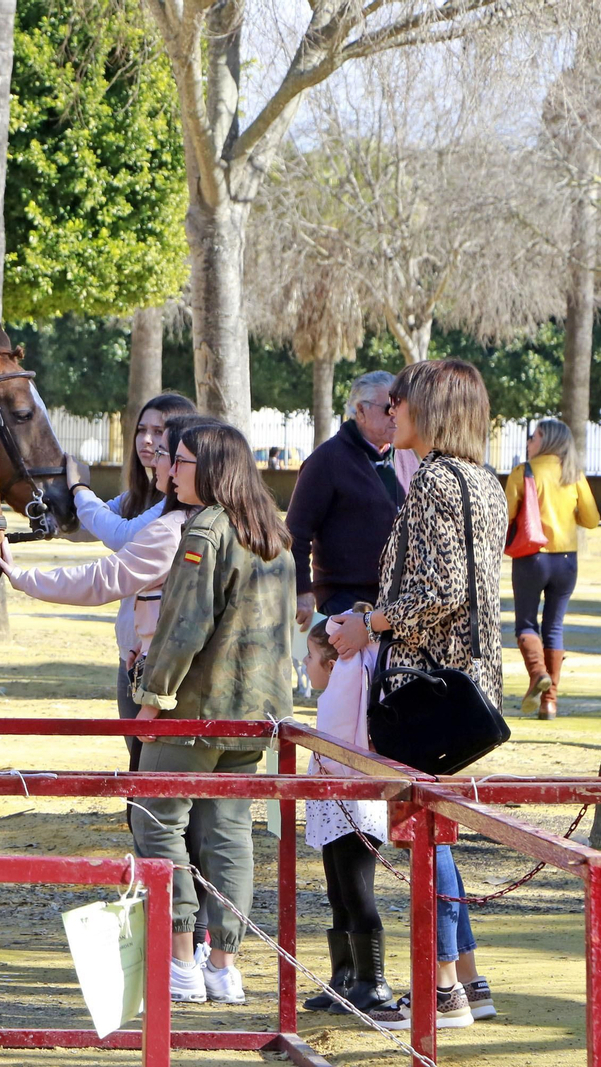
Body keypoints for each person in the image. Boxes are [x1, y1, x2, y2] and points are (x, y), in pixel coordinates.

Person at [328, 359, 505, 1030]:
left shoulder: (433, 479)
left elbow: (440, 591)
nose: (390, 410)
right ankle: (466, 979)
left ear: (428, 408)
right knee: (435, 829)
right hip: (470, 682)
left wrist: (370, 622)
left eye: (398, 401)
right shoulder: (483, 479)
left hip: (428, 687)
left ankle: (443, 990)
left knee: (423, 831)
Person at [128, 422, 294, 1006]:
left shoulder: (207, 529)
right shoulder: (271, 532)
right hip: (255, 713)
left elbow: (184, 626)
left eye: (180, 460)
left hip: (197, 710)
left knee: (156, 820)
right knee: (229, 834)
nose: (169, 470)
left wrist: (152, 699)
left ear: (212, 468)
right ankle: (223, 965)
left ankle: (180, 958)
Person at [67, 393, 197, 762]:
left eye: (159, 431)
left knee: (156, 776)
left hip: (167, 664)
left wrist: (79, 489)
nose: (147, 441)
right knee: (138, 770)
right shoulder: (136, 496)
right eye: (141, 430)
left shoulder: (176, 503)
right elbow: (81, 527)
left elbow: (121, 535)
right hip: (131, 655)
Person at [300, 613, 393, 1015]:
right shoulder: (334, 695)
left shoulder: (350, 682)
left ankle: (374, 981)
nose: (305, 665)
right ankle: (344, 976)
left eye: (310, 657)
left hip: (355, 801)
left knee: (356, 892)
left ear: (331, 664)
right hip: (335, 801)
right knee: (337, 892)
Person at [287, 371, 417, 628]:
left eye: (400, 408)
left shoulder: (406, 456)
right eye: (388, 408)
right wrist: (302, 591)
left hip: (398, 599)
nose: (395, 416)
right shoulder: (327, 460)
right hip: (345, 597)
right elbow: (295, 532)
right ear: (361, 411)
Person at [506, 418, 598, 718]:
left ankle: (538, 674)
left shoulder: (523, 472)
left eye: (533, 436)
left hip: (531, 557)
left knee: (526, 624)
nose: (529, 441)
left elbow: (506, 513)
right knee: (554, 627)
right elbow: (591, 519)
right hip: (567, 561)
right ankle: (550, 703)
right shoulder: (574, 474)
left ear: (545, 439)